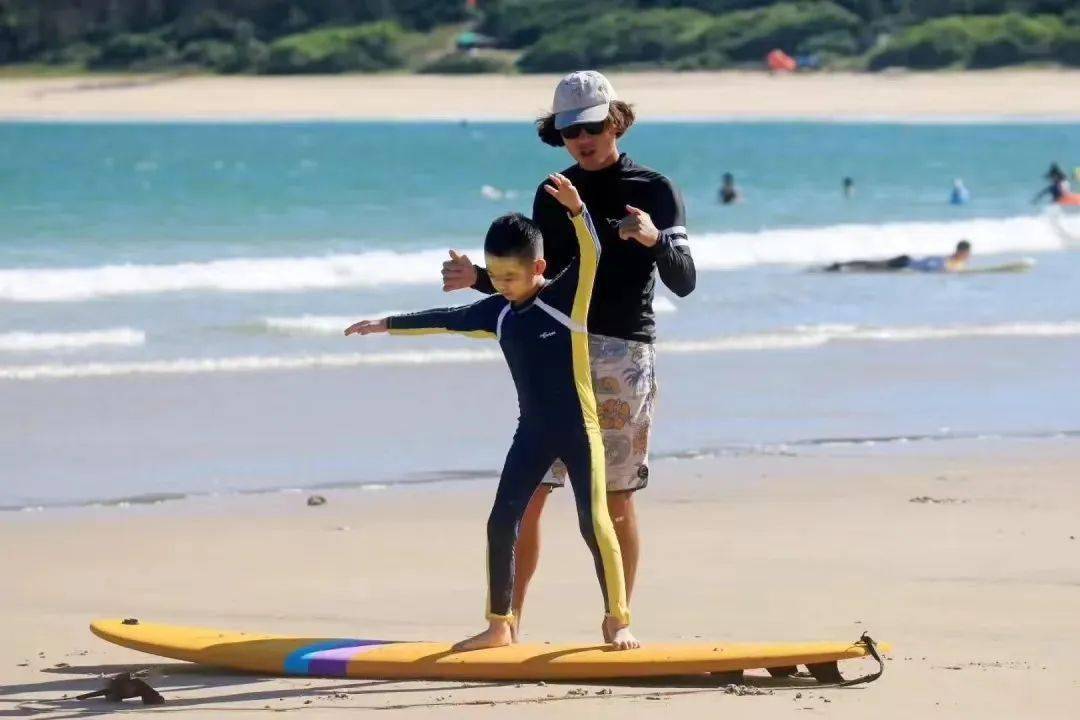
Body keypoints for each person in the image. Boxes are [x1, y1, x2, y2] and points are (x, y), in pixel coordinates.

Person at [440, 70, 695, 641]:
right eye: (568, 130)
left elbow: (686, 281)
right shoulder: (551, 191)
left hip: (622, 354)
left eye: (592, 126)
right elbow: (541, 285)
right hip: (560, 354)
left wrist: (654, 239)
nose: (582, 138)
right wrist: (482, 279)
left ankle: (616, 624)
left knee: (615, 497)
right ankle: (504, 626)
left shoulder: (655, 190)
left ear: (617, 121)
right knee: (531, 495)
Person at [345, 174, 638, 651]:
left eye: (510, 277)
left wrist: (579, 212)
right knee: (502, 521)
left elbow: (594, 255)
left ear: (538, 266)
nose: (500, 286)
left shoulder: (567, 300)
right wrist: (385, 324)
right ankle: (500, 624)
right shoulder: (498, 311)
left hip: (580, 431)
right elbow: (446, 318)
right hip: (533, 434)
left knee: (594, 522)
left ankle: (617, 620)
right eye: (494, 276)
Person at [824, 240, 972, 273]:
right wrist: (942, 270)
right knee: (873, 266)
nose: (968, 256)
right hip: (905, 263)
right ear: (961, 252)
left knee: (873, 265)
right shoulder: (949, 261)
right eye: (967, 253)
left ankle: (842, 265)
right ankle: (842, 266)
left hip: (907, 261)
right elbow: (930, 265)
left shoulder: (952, 260)